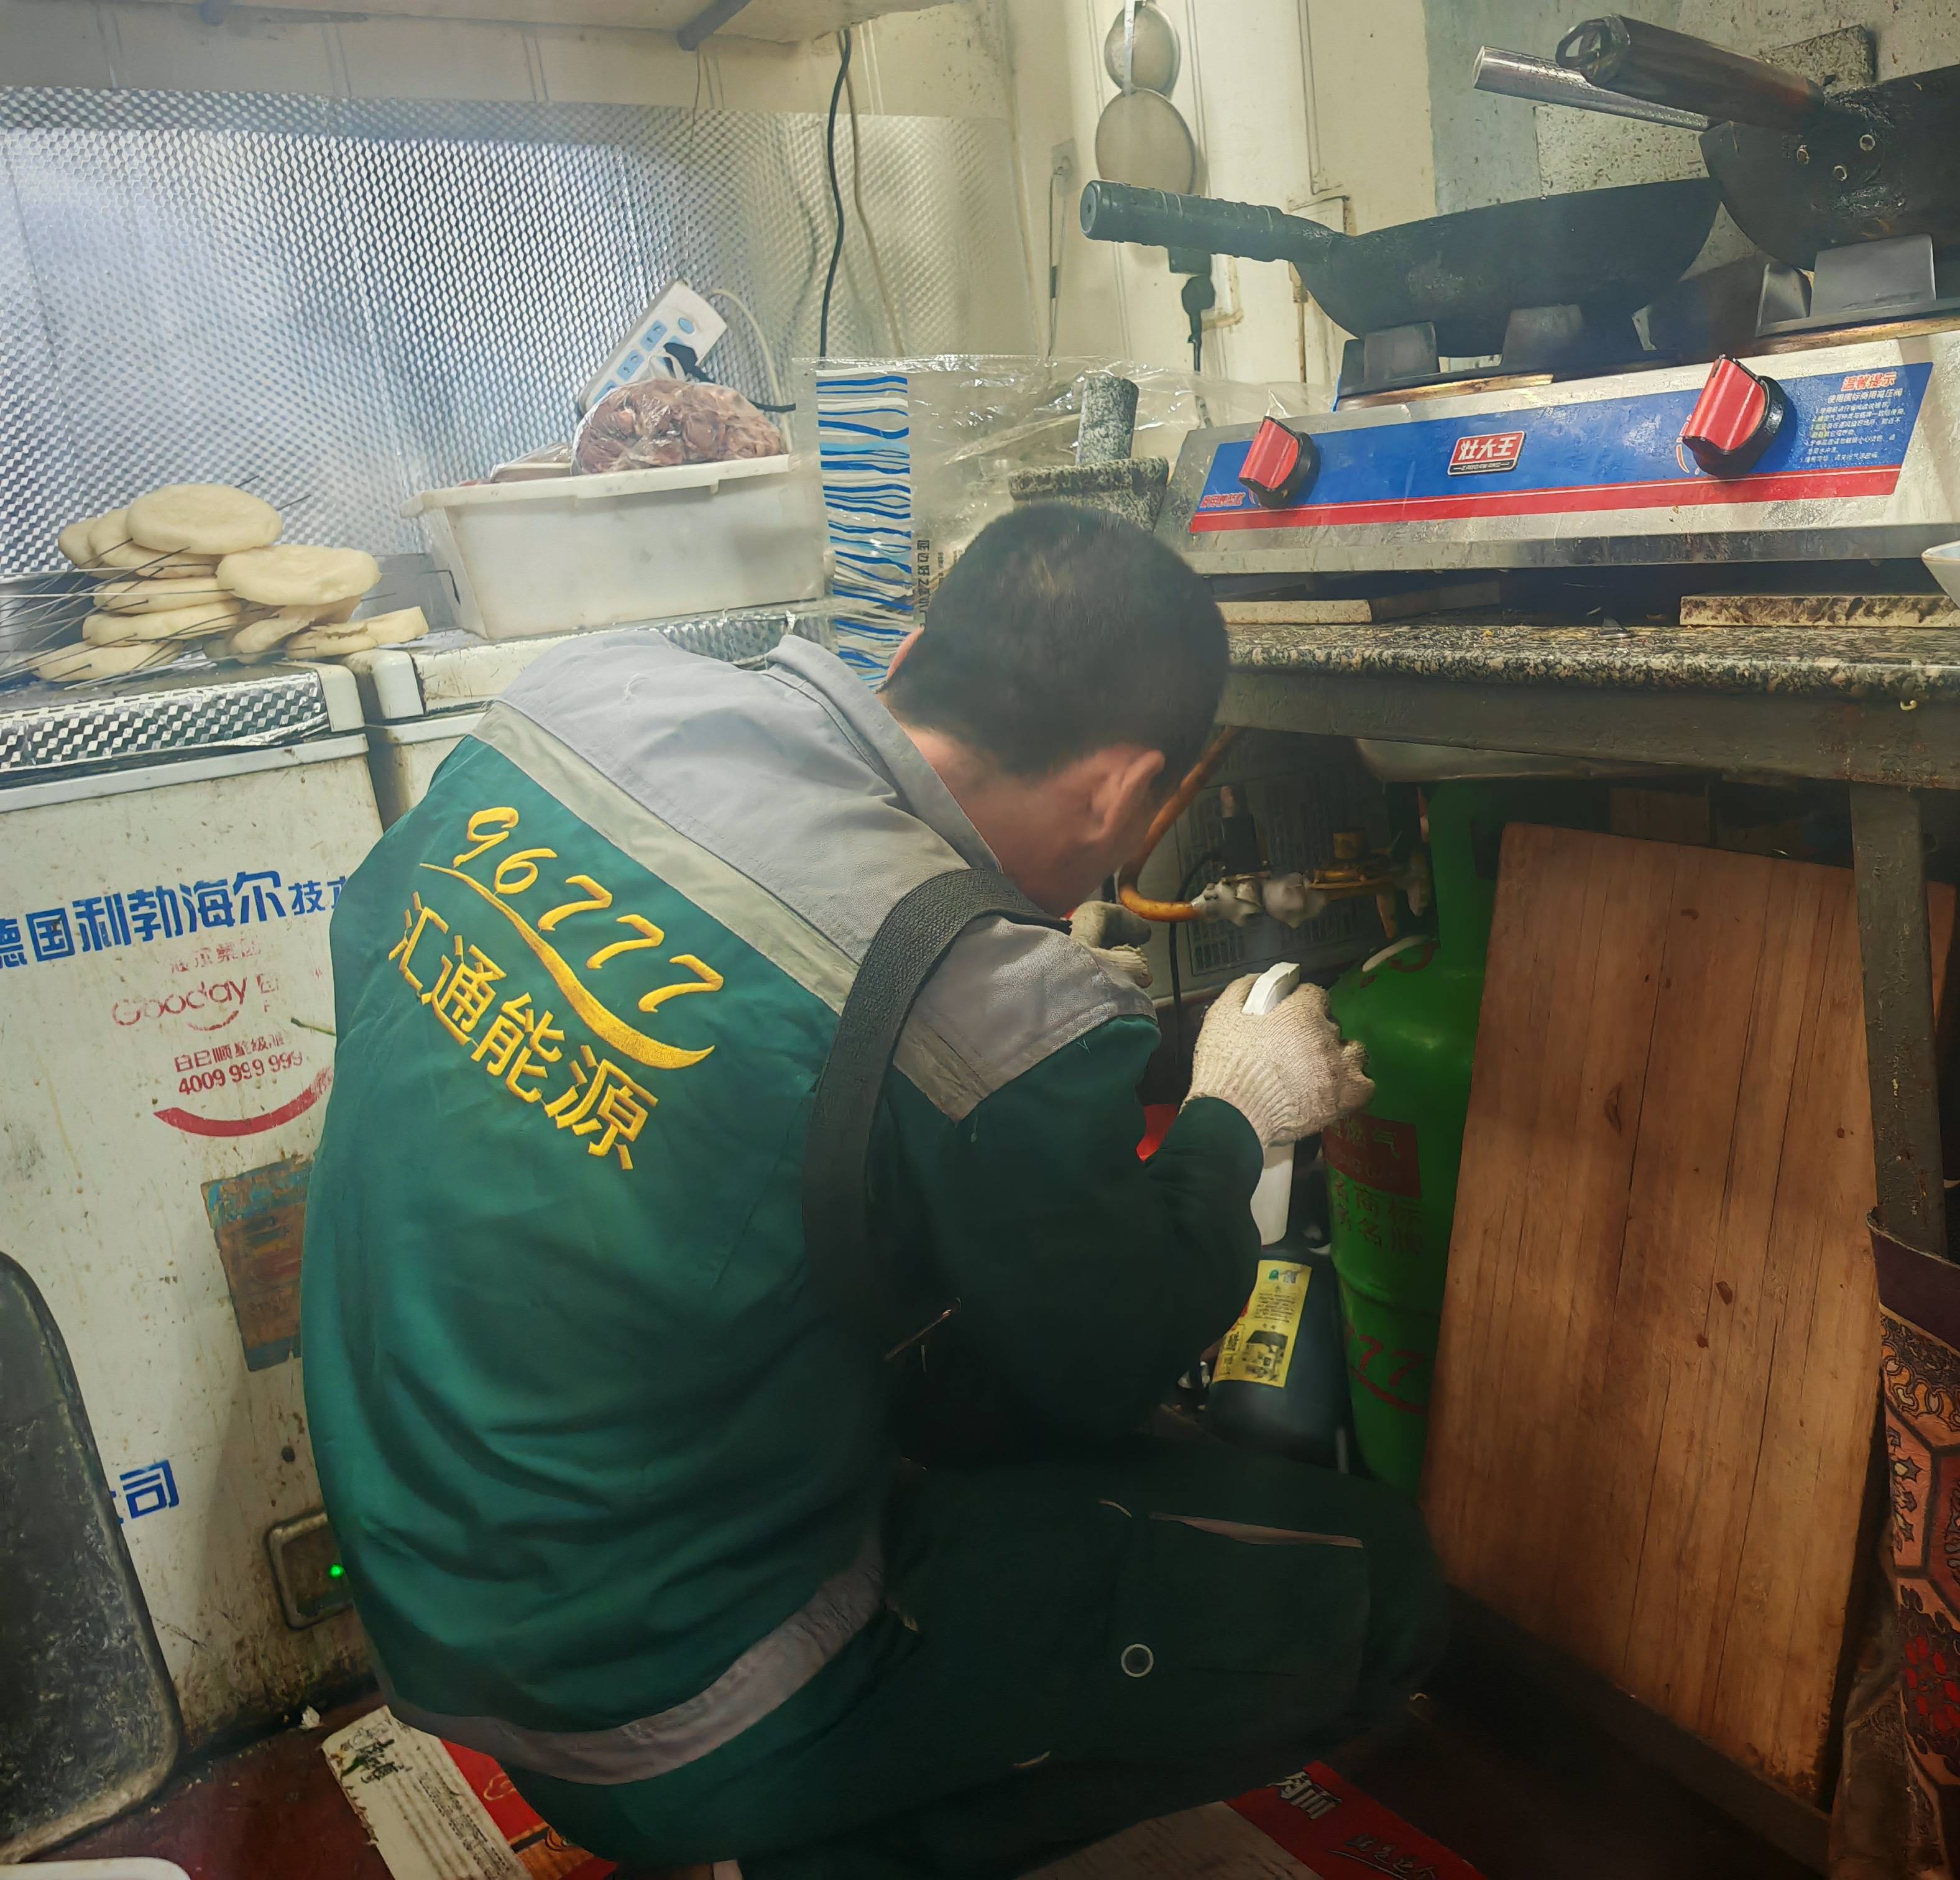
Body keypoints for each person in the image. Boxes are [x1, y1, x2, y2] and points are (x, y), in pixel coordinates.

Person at [299, 502, 1445, 1879]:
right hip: (665, 1701)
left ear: (909, 658)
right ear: (1121, 797)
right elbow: (1108, 1357)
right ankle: (829, 1828)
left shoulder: (579, 705)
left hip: (427, 1604)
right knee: (1378, 1584)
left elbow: (377, 953)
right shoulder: (986, 996)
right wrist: (1236, 1116)